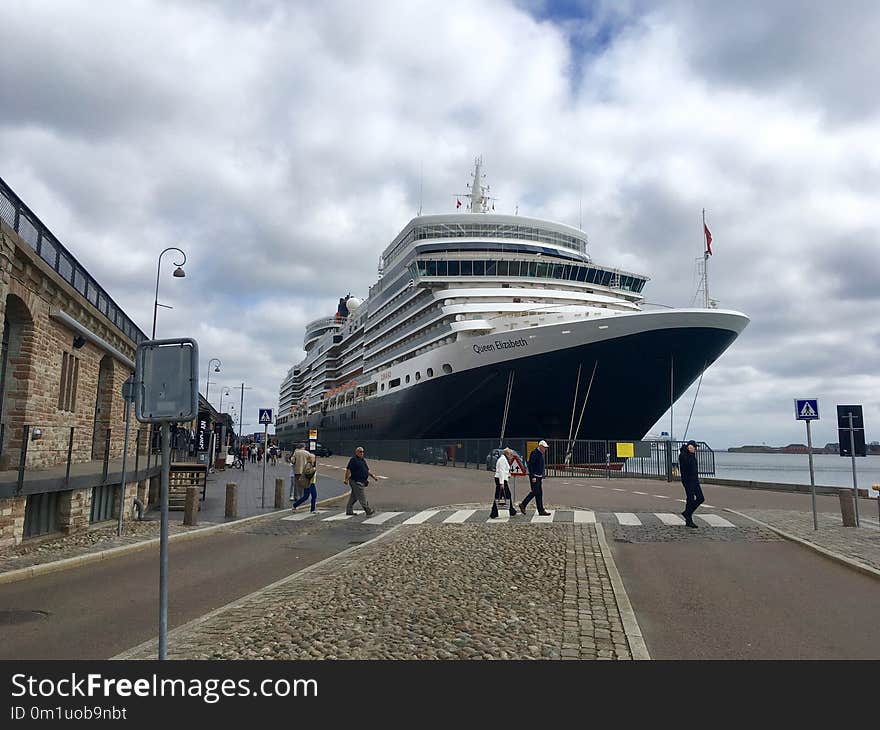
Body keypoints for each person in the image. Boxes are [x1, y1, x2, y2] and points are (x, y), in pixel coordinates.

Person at [519, 439, 551, 516]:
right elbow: (531, 465)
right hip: (535, 477)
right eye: (544, 447)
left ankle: (541, 510)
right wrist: (533, 476)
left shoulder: (540, 454)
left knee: (539, 493)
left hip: (539, 477)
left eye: (546, 448)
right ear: (540, 446)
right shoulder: (534, 453)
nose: (545, 449)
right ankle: (523, 504)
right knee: (535, 492)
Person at [343, 446, 377, 516]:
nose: (362, 453)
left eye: (363, 452)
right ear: (356, 452)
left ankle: (349, 510)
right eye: (360, 452)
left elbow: (367, 470)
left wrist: (373, 476)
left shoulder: (363, 460)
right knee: (361, 496)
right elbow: (348, 469)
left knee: (354, 497)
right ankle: (368, 510)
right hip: (355, 481)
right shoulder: (353, 460)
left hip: (362, 481)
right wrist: (346, 479)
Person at [679, 440, 704, 528]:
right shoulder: (683, 455)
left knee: (701, 498)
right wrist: (687, 452)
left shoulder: (692, 455)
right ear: (690, 447)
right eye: (695, 447)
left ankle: (687, 513)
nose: (696, 449)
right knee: (690, 498)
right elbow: (687, 463)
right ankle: (688, 520)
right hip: (687, 480)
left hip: (695, 480)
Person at [491, 447, 518, 518]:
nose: (511, 456)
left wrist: (508, 475)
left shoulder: (503, 459)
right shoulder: (503, 460)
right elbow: (501, 471)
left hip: (501, 479)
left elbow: (504, 471)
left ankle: (494, 512)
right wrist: (502, 483)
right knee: (506, 494)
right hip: (501, 480)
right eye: (511, 454)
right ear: (507, 454)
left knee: (499, 495)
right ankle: (510, 510)